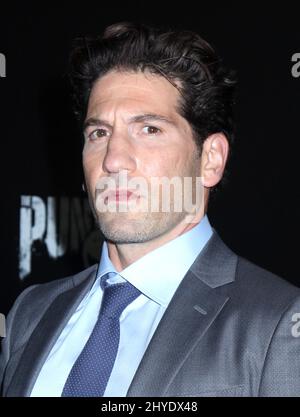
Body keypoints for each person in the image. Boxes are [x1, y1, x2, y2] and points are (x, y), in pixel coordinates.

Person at [1, 21, 300, 398]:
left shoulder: (279, 323)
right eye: (99, 133)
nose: (114, 160)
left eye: (149, 130)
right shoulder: (30, 314)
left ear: (210, 160)